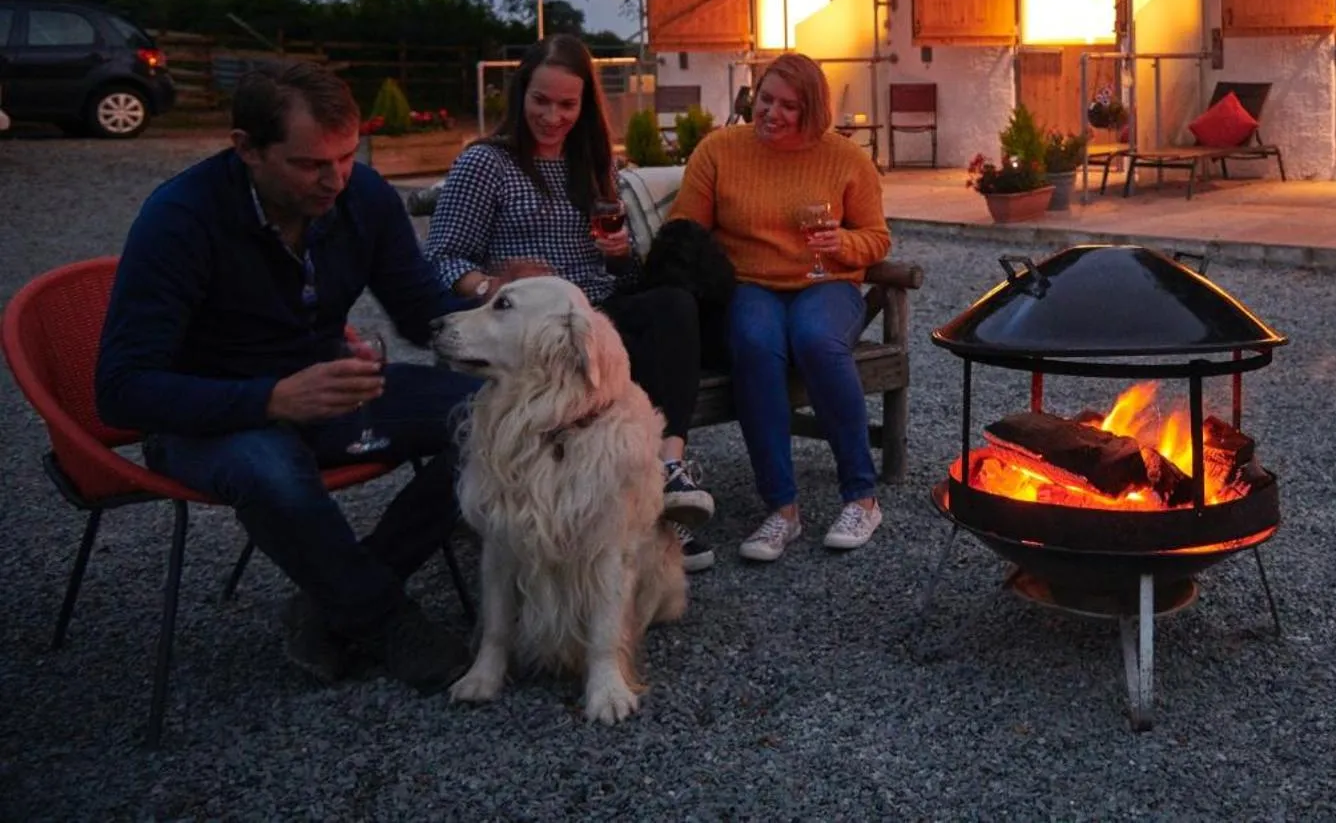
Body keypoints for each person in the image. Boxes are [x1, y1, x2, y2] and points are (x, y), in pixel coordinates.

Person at [95, 61, 481, 693]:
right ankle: (386, 621)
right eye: (309, 165)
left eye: (347, 156)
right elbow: (121, 389)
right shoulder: (182, 218)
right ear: (247, 148)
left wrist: (533, 321)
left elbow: (425, 314)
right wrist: (270, 398)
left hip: (327, 393)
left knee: (496, 415)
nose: (334, 180)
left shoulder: (363, 197)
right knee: (267, 468)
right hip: (213, 415)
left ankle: (338, 598)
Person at [424, 34, 717, 570]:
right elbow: (442, 256)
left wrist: (620, 251)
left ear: (584, 107)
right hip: (527, 329)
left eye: (567, 104)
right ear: (521, 94)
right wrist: (491, 286)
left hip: (594, 317)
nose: (553, 116)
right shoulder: (485, 164)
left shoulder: (594, 162)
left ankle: (669, 476)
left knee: (673, 304)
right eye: (542, 100)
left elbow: (622, 275)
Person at [668, 51, 891, 562]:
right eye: (766, 99)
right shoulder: (720, 150)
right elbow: (684, 229)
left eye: (789, 106)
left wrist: (842, 246)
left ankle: (861, 496)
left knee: (816, 340)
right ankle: (781, 510)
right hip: (749, 284)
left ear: (812, 111)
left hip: (827, 281)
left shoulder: (846, 159)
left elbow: (877, 240)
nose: (771, 113)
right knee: (754, 343)